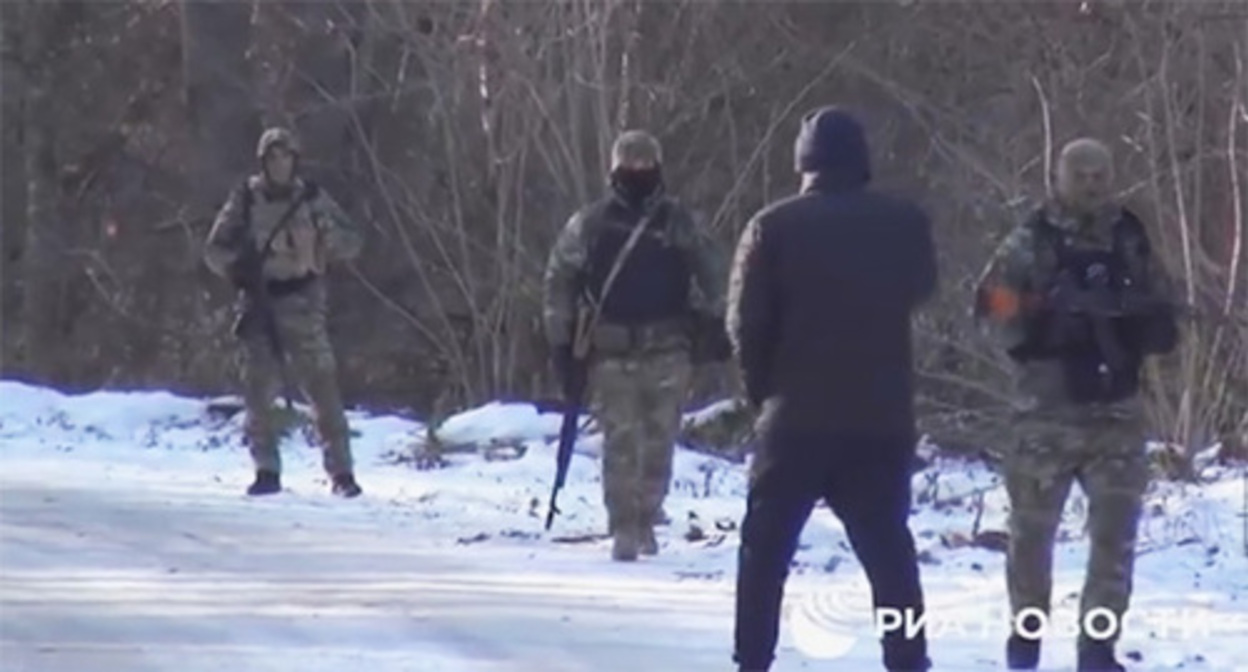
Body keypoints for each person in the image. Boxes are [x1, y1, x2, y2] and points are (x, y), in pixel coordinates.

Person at [726, 106, 937, 672]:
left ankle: (752, 661)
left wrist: (763, 394)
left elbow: (746, 325)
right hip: (881, 416)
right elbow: (921, 288)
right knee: (891, 554)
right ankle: (908, 658)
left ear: (804, 161)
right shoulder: (905, 222)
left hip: (794, 416)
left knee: (765, 554)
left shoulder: (772, 226)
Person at [973, 137, 1179, 671]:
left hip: (1117, 416)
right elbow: (989, 308)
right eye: (1081, 174)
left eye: (1100, 174)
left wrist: (1148, 323)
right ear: (1057, 178)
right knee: (1032, 536)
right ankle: (1026, 638)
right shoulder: (1029, 240)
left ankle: (1098, 646)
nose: (1092, 184)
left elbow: (1163, 305)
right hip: (1046, 418)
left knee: (1115, 539)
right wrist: (1040, 322)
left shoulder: (1129, 237)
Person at [542, 129, 727, 561]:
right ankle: (625, 526)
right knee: (621, 441)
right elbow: (559, 281)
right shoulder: (591, 223)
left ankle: (646, 519)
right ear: (616, 170)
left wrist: (718, 325)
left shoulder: (679, 221)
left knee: (659, 440)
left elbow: (714, 271)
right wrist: (561, 342)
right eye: (632, 168)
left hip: (669, 346)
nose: (639, 175)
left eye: (646, 167)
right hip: (611, 348)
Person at [203, 127, 365, 498]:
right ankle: (266, 470)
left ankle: (341, 473)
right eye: (272, 158)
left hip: (304, 302)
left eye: (285, 157)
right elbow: (215, 250)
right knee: (258, 392)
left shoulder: (311, 199)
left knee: (324, 391)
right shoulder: (245, 199)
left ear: (295, 160)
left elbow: (352, 242)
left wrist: (325, 238)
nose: (279, 164)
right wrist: (239, 270)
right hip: (261, 304)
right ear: (263, 162)